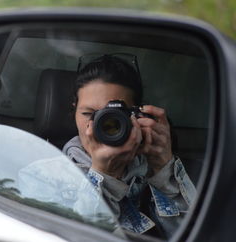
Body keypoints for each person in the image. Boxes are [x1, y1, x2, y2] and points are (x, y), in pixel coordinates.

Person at [63, 54, 196, 238]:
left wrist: (164, 169)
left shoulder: (151, 168)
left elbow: (198, 232)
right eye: (89, 113)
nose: (101, 125)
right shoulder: (43, 175)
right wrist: (104, 176)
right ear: (73, 112)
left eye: (115, 115)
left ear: (137, 115)